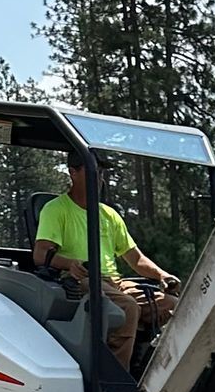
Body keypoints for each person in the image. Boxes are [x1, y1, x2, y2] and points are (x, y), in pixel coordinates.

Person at [33, 152, 178, 370]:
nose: (98, 178)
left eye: (100, 173)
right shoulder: (56, 210)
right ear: (73, 173)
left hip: (116, 282)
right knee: (128, 307)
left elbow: (135, 258)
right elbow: (40, 254)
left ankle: (148, 365)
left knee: (172, 306)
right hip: (82, 280)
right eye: (92, 171)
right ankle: (115, 381)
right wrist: (70, 264)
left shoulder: (109, 215)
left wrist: (162, 275)